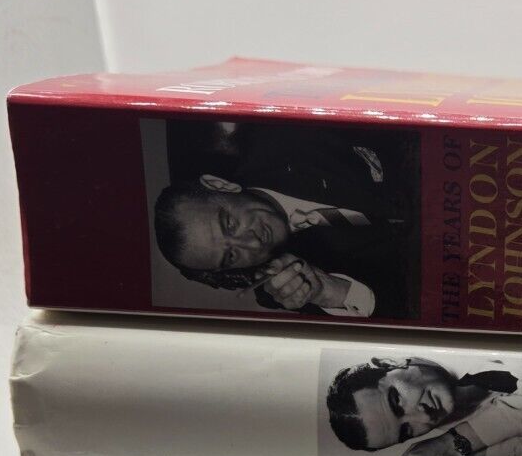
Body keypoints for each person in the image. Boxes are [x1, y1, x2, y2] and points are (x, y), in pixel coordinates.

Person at [151, 124, 416, 318]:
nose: (250, 243)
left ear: (221, 185)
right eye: (231, 256)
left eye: (229, 224)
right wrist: (330, 291)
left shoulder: (285, 134)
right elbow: (411, 313)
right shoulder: (285, 289)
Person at [324, 355, 522, 456]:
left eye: (397, 401)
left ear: (389, 363)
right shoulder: (451, 424)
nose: (423, 417)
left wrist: (452, 445)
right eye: (407, 430)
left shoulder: (459, 338)